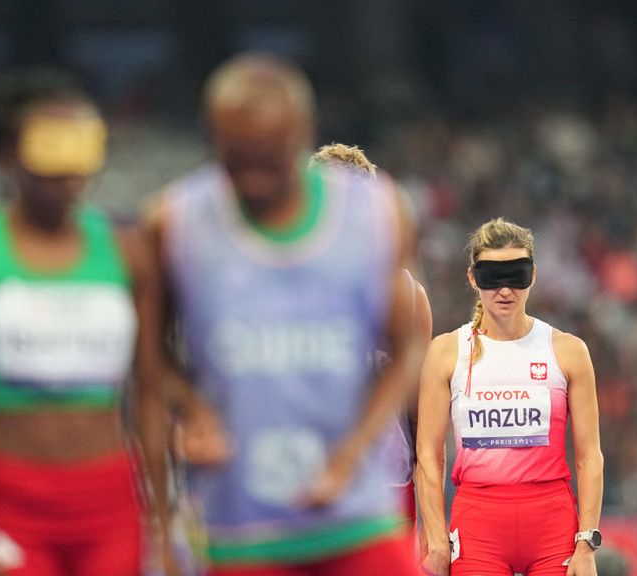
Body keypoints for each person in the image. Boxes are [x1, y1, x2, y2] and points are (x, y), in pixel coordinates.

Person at [145, 53, 424, 576]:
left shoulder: (379, 214)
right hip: (244, 525)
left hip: (355, 511)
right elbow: (147, 356)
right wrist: (191, 409)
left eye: (268, 159)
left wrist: (352, 452)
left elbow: (408, 349)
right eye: (236, 160)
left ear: (301, 133)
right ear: (212, 136)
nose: (251, 179)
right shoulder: (176, 221)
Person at [0, 68, 174, 576]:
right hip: (12, 497)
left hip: (111, 499)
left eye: (82, 148)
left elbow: (150, 394)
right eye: (52, 148)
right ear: (7, 153)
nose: (71, 171)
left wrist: (161, 526)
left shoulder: (129, 255)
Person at [415, 218, 604, 576]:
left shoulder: (567, 351)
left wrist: (586, 543)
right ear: (473, 278)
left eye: (515, 275)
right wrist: (437, 537)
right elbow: (427, 454)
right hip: (478, 524)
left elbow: (590, 456)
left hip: (552, 524)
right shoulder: (446, 352)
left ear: (532, 276)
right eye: (491, 277)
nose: (504, 291)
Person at [309, 142, 432, 530]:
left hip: (386, 478)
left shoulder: (407, 294)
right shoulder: (280, 282)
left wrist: (431, 513)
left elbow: (422, 409)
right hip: (301, 475)